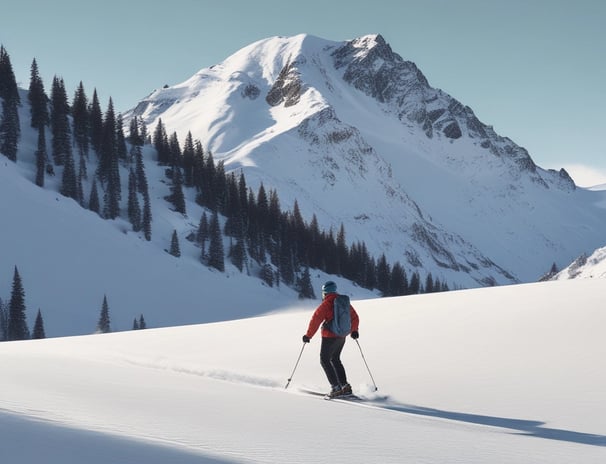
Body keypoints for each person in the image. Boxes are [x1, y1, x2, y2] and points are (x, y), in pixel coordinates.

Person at [302, 281, 359, 398]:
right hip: (342, 336)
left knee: (324, 360)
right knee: (336, 359)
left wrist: (308, 335)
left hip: (329, 336)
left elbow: (316, 319)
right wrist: (354, 331)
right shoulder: (343, 302)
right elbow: (355, 317)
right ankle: (345, 386)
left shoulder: (327, 303)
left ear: (325, 293)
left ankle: (336, 387)